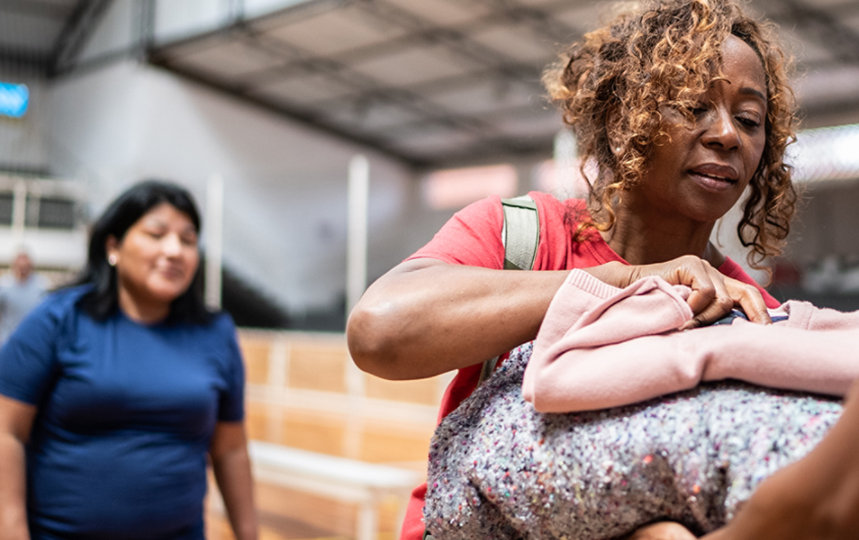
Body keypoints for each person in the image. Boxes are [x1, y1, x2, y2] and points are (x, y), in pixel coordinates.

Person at [345, 0, 856, 537]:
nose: (728, 134)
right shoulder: (524, 234)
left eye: (749, 119)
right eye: (693, 106)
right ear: (622, 121)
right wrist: (626, 281)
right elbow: (379, 333)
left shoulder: (749, 310)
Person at [0, 180, 258, 539]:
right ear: (113, 246)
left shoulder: (216, 333)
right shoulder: (58, 320)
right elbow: (6, 431)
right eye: (156, 234)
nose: (174, 250)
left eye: (187, 240)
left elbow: (230, 449)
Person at [0, 250, 48, 344]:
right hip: (8, 340)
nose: (23, 270)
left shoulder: (41, 285)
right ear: (14, 266)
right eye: (20, 267)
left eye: (26, 267)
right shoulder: (4, 285)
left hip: (33, 341)